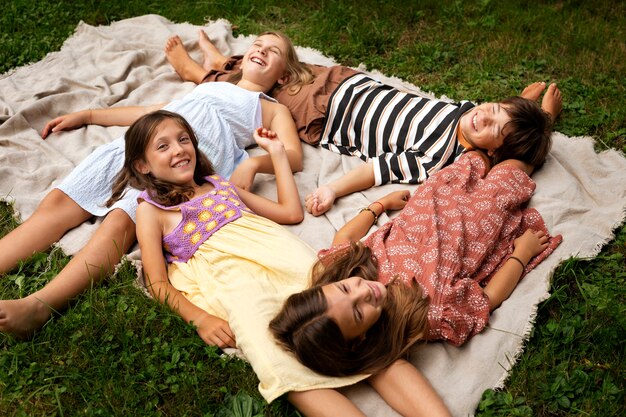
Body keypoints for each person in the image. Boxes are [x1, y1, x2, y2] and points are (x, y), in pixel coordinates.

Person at [125, 110, 452, 417]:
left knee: (363, 338)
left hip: (286, 259)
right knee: (276, 354)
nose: (179, 150)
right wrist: (200, 318)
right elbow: (157, 283)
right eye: (163, 146)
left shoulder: (218, 185)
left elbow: (290, 213)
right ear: (142, 166)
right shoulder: (151, 211)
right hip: (236, 279)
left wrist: (277, 153)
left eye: (184, 139)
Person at [0, 31, 306, 338]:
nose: (262, 51)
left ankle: (39, 306)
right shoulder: (212, 86)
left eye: (274, 51)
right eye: (258, 45)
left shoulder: (271, 108)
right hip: (137, 146)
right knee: (57, 204)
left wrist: (253, 163)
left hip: (183, 165)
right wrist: (90, 115)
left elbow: (293, 156)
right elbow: (152, 114)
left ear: (283, 77)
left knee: (121, 222)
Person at [165, 31, 563, 216]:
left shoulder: (439, 157)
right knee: (290, 68)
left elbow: (377, 169)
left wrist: (333, 189)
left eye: (493, 126)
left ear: (493, 151)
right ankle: (224, 63)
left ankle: (202, 74)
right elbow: (496, 122)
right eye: (492, 106)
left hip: (325, 115)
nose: (483, 114)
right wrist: (531, 114)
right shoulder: (471, 115)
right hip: (347, 81)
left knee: (257, 92)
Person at [269, 149, 563, 377]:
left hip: (436, 198)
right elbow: (488, 298)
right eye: (358, 312)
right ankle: (540, 123)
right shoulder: (425, 315)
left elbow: (344, 237)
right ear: (359, 341)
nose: (365, 292)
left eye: (346, 290)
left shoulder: (340, 268)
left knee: (476, 155)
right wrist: (520, 254)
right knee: (512, 166)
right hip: (480, 219)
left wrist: (380, 205)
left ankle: (512, 121)